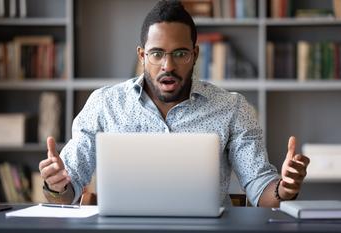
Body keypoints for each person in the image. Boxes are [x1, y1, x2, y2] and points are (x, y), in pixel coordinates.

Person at [39, 0, 309, 207]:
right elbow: (64, 194)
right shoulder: (104, 104)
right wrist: (56, 184)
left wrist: (284, 189)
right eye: (157, 53)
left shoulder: (232, 108)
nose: (168, 65)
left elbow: (261, 188)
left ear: (194, 54)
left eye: (180, 53)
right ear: (143, 55)